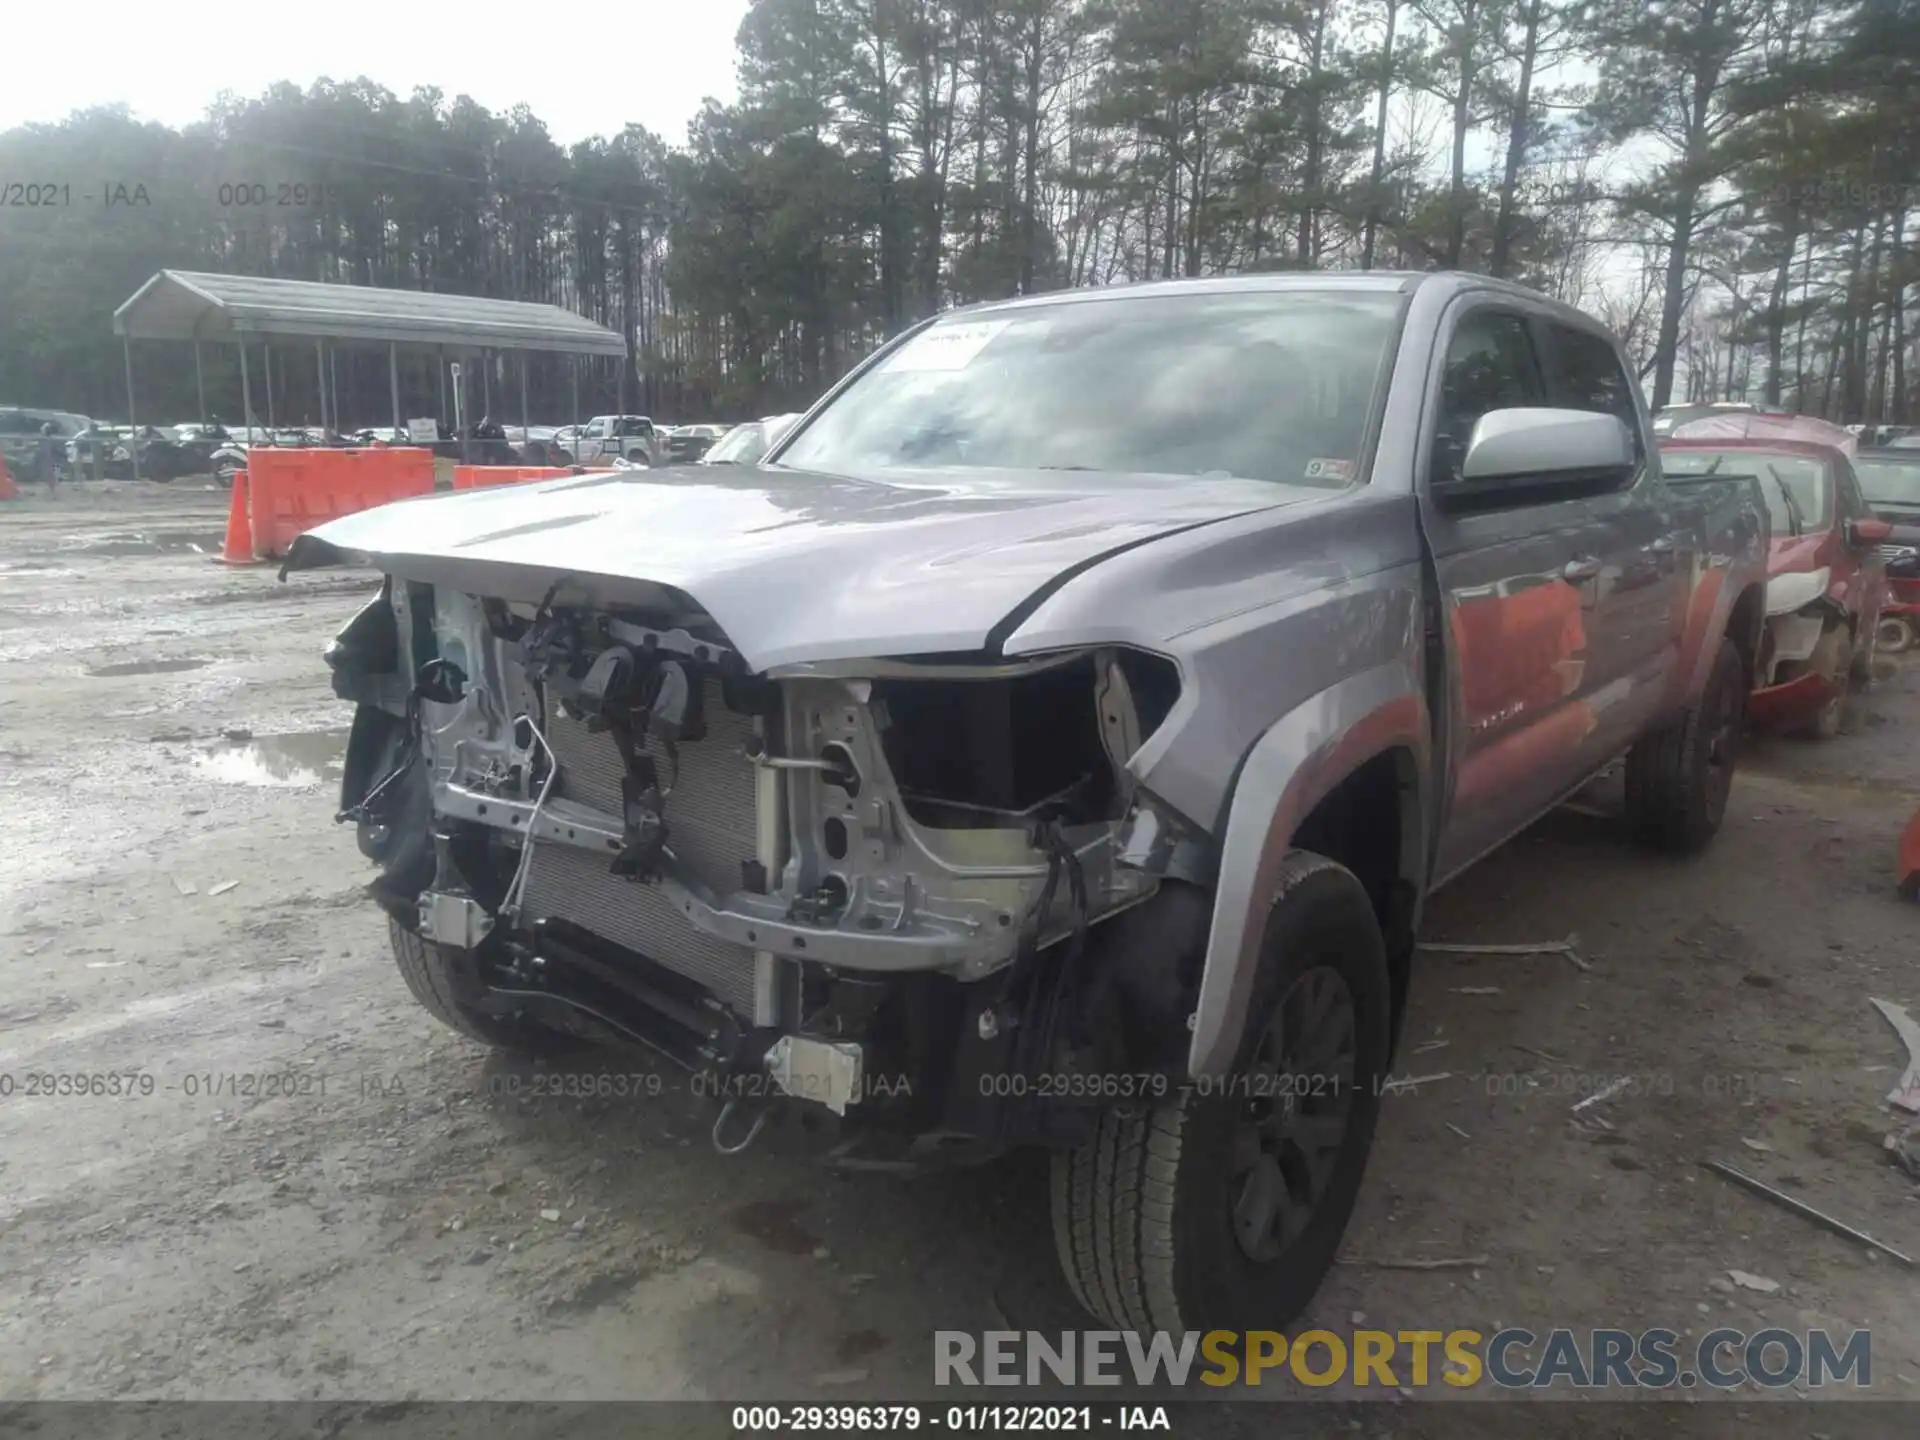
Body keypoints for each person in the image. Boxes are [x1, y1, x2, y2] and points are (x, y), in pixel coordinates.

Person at [34, 421, 61, 487]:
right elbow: (37, 446)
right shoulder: (42, 438)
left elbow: (54, 449)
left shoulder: (51, 439)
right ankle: (51, 487)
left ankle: (53, 487)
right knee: (47, 473)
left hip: (50, 458)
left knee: (51, 473)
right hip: (45, 458)